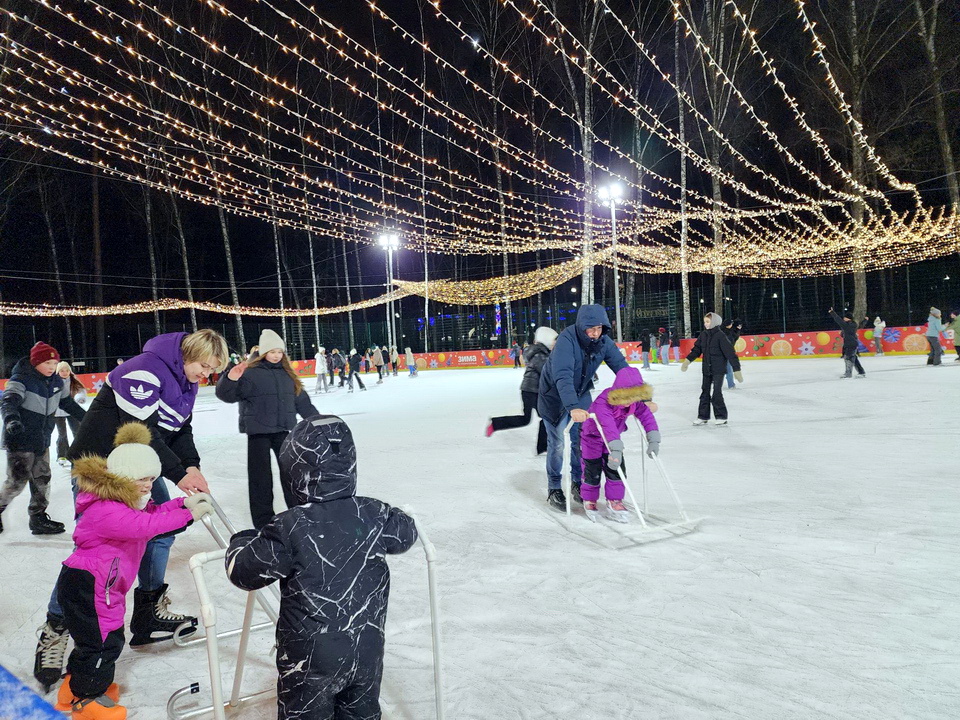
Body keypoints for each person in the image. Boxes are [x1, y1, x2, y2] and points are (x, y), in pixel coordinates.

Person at [34, 329, 227, 690]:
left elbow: (179, 430)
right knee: (93, 553)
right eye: (204, 366)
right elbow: (142, 430)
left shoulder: (187, 381)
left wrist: (192, 464)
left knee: (161, 532)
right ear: (189, 354)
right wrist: (178, 473)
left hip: (139, 464)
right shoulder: (145, 369)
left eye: (211, 370)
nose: (206, 375)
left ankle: (147, 612)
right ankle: (55, 628)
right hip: (103, 466)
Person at [225, 416, 418, 720]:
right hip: (366, 648)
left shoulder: (290, 526)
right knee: (361, 710)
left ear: (294, 472)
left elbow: (243, 571)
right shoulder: (374, 513)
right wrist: (400, 515)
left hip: (310, 660)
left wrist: (242, 540)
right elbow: (405, 533)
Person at [53, 423, 212, 718]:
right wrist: (188, 515)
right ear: (123, 477)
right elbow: (145, 527)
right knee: (104, 642)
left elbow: (152, 513)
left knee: (93, 640)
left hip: (99, 583)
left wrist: (182, 503)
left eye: (152, 478)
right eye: (141, 479)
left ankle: (75, 689)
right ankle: (87, 700)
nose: (148, 485)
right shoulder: (106, 509)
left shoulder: (123, 500)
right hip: (92, 585)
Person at [216, 330, 319, 530]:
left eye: (279, 351)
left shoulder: (287, 374)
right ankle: (263, 522)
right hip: (258, 433)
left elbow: (302, 402)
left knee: (292, 475)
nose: (276, 355)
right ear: (263, 352)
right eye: (272, 351)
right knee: (260, 480)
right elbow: (226, 395)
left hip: (283, 432)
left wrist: (316, 422)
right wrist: (230, 378)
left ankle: (298, 513)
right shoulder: (250, 373)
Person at [538, 305, 628, 511]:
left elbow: (622, 367)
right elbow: (563, 376)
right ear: (581, 327)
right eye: (591, 329)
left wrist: (640, 394)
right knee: (558, 444)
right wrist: (572, 407)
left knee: (582, 442)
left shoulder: (603, 341)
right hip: (553, 396)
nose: (596, 333)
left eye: (599, 328)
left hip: (580, 392)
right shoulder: (566, 341)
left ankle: (577, 482)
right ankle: (554, 487)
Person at [0, 342, 86, 535]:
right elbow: (8, 402)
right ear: (36, 362)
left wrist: (88, 419)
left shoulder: (56, 382)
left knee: (42, 479)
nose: (52, 367)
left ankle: (38, 518)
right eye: (47, 362)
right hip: (20, 438)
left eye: (54, 363)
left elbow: (68, 405)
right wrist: (12, 420)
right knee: (16, 482)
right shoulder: (20, 379)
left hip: (42, 440)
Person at [580, 367, 660, 522]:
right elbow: (607, 425)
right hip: (592, 438)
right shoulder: (604, 402)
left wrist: (654, 438)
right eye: (627, 397)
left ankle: (615, 500)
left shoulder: (634, 402)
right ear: (619, 393)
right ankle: (590, 499)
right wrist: (616, 449)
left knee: (616, 470)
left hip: (612, 439)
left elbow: (646, 415)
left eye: (635, 396)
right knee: (592, 470)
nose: (631, 401)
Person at [486, 327, 556, 455]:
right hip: (532, 391)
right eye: (553, 342)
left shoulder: (539, 352)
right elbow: (548, 374)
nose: (554, 345)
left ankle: (496, 423)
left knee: (533, 418)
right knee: (543, 418)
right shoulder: (540, 355)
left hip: (530, 390)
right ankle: (542, 447)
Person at [682, 312, 743, 425]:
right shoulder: (703, 335)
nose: (705, 324)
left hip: (718, 369)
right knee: (704, 392)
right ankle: (703, 416)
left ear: (714, 322)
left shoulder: (721, 336)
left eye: (708, 322)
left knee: (716, 393)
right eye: (705, 322)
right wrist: (687, 360)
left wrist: (736, 369)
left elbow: (730, 353)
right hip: (706, 368)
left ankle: (721, 416)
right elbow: (696, 350)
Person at [55, 361, 88, 466]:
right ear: (58, 371)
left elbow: (81, 391)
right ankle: (62, 455)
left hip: (72, 410)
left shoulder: (74, 381)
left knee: (77, 431)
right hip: (57, 412)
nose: (64, 372)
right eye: (62, 370)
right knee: (62, 434)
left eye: (67, 370)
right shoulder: (53, 382)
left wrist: (80, 398)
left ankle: (77, 453)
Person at [829, 307, 865, 378]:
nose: (843, 319)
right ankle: (861, 371)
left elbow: (838, 320)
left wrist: (832, 313)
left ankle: (848, 373)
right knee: (853, 358)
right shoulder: (852, 325)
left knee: (848, 358)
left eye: (845, 317)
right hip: (852, 343)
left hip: (850, 344)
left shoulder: (847, 325)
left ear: (848, 318)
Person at [722, 319, 743, 390]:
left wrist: (737, 330)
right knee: (728, 369)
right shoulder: (726, 333)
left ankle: (730, 384)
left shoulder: (729, 331)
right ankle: (731, 385)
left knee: (727, 369)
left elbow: (735, 338)